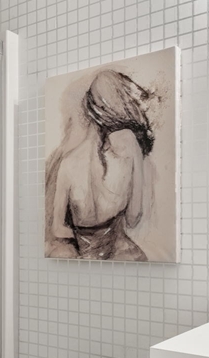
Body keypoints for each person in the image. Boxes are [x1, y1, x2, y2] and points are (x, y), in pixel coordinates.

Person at [47, 70, 154, 261]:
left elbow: (58, 228)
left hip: (82, 253)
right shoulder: (129, 143)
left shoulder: (68, 161)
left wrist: (87, 245)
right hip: (116, 251)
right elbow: (133, 217)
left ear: (89, 108)